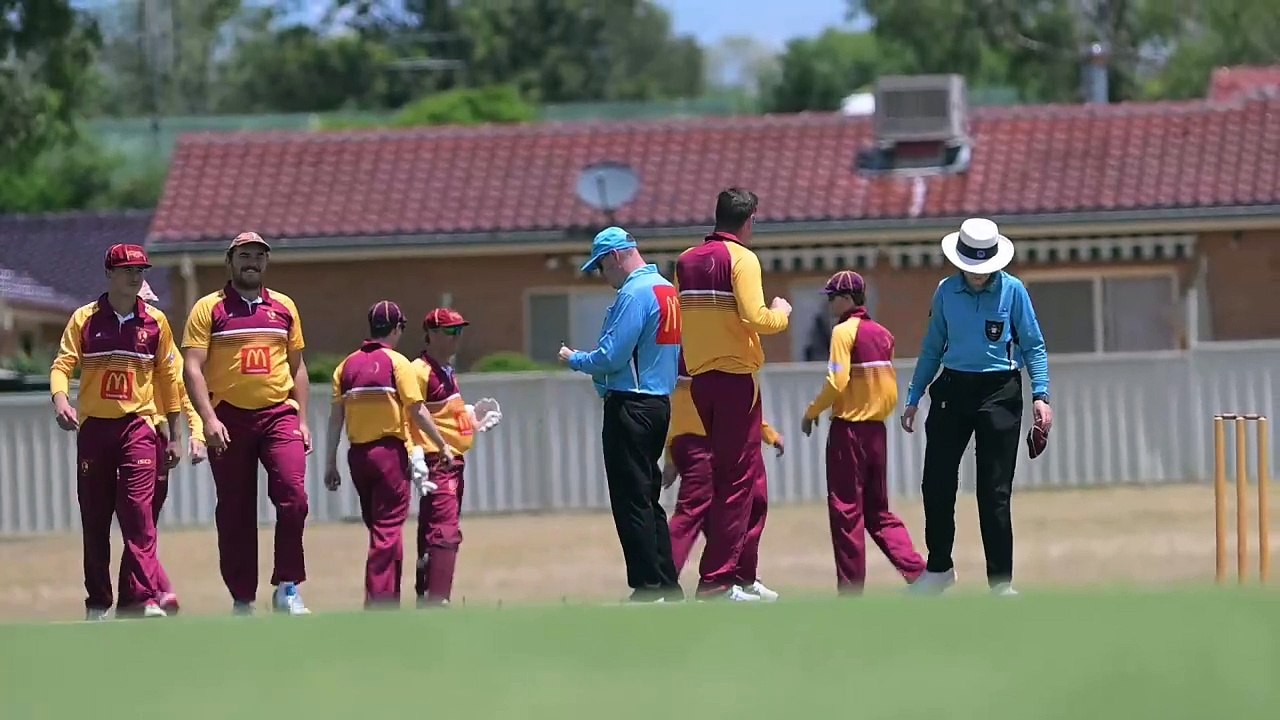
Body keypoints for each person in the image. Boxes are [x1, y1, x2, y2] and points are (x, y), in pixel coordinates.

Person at [901, 218, 1053, 597]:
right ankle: (939, 570)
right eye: (973, 268)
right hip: (953, 387)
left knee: (994, 491)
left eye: (986, 268)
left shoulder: (1014, 291)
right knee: (935, 483)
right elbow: (932, 346)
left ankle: (1001, 583)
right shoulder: (946, 292)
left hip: (1000, 390)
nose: (980, 275)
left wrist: (1041, 395)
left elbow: (1033, 345)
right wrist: (914, 396)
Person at [181, 231, 313, 616]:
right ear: (230, 261)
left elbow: (298, 367)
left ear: (266, 262)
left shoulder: (285, 307)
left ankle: (288, 587)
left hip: (278, 414)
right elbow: (192, 367)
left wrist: (303, 420)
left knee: (294, 497)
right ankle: (242, 598)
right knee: (235, 511)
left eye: (258, 255)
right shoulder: (210, 308)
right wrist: (207, 419)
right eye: (244, 255)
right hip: (229, 419)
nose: (251, 262)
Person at [49, 244, 184, 620]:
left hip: (138, 428)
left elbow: (169, 380)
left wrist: (174, 433)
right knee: (95, 519)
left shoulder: (156, 322)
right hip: (95, 430)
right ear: (109, 273)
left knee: (140, 515)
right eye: (127, 270)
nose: (135, 276)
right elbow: (63, 364)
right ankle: (97, 604)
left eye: (141, 270)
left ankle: (143, 597)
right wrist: (61, 400)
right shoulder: (85, 319)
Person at [675, 187, 791, 601]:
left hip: (702, 380)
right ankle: (717, 582)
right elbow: (757, 318)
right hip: (736, 381)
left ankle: (743, 574)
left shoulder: (686, 261)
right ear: (749, 219)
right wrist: (783, 311)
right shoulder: (742, 259)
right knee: (737, 482)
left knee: (752, 484)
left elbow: (683, 320)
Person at [559, 227, 682, 603]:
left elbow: (612, 355)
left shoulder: (634, 293)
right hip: (659, 404)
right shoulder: (666, 289)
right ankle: (667, 585)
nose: (603, 277)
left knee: (630, 501)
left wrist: (575, 359)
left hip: (630, 404)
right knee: (648, 499)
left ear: (615, 257)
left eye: (601, 267)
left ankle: (647, 590)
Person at [800, 270, 926, 594]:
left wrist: (812, 411)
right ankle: (919, 573)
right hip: (877, 434)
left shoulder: (843, 332)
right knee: (878, 512)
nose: (829, 303)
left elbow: (836, 381)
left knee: (846, 513)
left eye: (832, 297)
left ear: (846, 300)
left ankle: (851, 592)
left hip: (849, 433)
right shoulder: (884, 334)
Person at [323, 301, 454, 608]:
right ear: (396, 329)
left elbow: (335, 419)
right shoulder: (399, 363)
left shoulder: (346, 366)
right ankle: (379, 605)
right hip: (389, 456)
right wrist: (442, 443)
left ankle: (389, 599)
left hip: (357, 457)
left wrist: (330, 462)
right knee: (387, 532)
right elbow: (417, 410)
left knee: (382, 531)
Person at [115, 280, 207, 616]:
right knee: (138, 522)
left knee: (143, 522)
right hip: (128, 435)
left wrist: (195, 434)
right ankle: (147, 594)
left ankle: (145, 594)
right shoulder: (115, 340)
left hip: (155, 438)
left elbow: (184, 393)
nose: (147, 309)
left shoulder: (161, 341)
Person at [661, 360, 784, 597]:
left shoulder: (694, 348)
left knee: (725, 517)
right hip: (703, 441)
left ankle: (739, 578)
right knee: (692, 514)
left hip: (697, 441)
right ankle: (662, 581)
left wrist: (671, 452)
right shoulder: (702, 352)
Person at [411, 307, 502, 606]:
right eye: (450, 332)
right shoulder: (420, 370)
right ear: (432, 334)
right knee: (444, 531)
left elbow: (446, 414)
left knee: (432, 532)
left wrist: (472, 419)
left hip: (453, 460)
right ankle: (437, 599)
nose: (456, 338)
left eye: (459, 331)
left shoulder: (446, 369)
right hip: (438, 461)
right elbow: (413, 413)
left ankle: (427, 595)